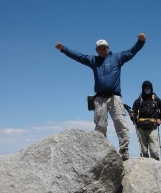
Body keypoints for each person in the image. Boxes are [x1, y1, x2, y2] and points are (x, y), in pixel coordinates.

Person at [55, 33, 146, 161]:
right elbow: (78, 56)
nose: (102, 50)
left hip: (115, 97)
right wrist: (63, 49)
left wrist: (140, 42)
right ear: (97, 50)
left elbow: (132, 52)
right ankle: (102, 152)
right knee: (100, 126)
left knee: (120, 123)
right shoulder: (94, 61)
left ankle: (124, 151)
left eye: (104, 47)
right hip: (99, 99)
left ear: (108, 48)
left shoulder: (117, 58)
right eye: (100, 48)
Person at [131, 80, 161, 160]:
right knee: (144, 152)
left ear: (151, 88)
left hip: (152, 127)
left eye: (148, 88)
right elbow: (134, 114)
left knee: (154, 152)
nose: (147, 90)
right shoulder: (138, 101)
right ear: (143, 89)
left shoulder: (156, 100)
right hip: (140, 128)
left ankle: (156, 167)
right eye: (145, 88)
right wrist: (133, 117)